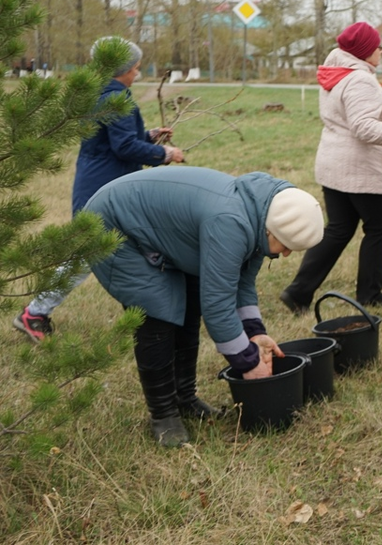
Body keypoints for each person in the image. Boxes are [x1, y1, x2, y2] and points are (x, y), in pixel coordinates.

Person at [85, 166, 324, 446]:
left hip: (160, 232)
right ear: (273, 228)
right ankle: (163, 415)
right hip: (114, 226)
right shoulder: (230, 222)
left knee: (189, 303)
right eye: (285, 245)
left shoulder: (261, 219)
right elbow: (218, 306)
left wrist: (255, 334)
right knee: (157, 313)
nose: (284, 254)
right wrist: (248, 362)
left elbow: (241, 285)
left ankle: (185, 398)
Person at [12, 37, 185, 342]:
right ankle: (35, 312)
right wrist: (164, 154)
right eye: (136, 68)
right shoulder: (115, 98)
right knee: (86, 256)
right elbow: (123, 147)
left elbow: (113, 138)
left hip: (102, 180)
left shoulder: (103, 93)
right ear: (122, 70)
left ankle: (148, 310)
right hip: (104, 187)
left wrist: (150, 135)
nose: (138, 74)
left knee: (128, 247)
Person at [279, 22, 382, 313]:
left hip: (335, 165)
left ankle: (298, 292)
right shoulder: (359, 79)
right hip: (361, 170)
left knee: (338, 229)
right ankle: (370, 294)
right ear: (363, 51)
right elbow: (363, 128)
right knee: (380, 226)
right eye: (377, 46)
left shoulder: (336, 73)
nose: (381, 50)